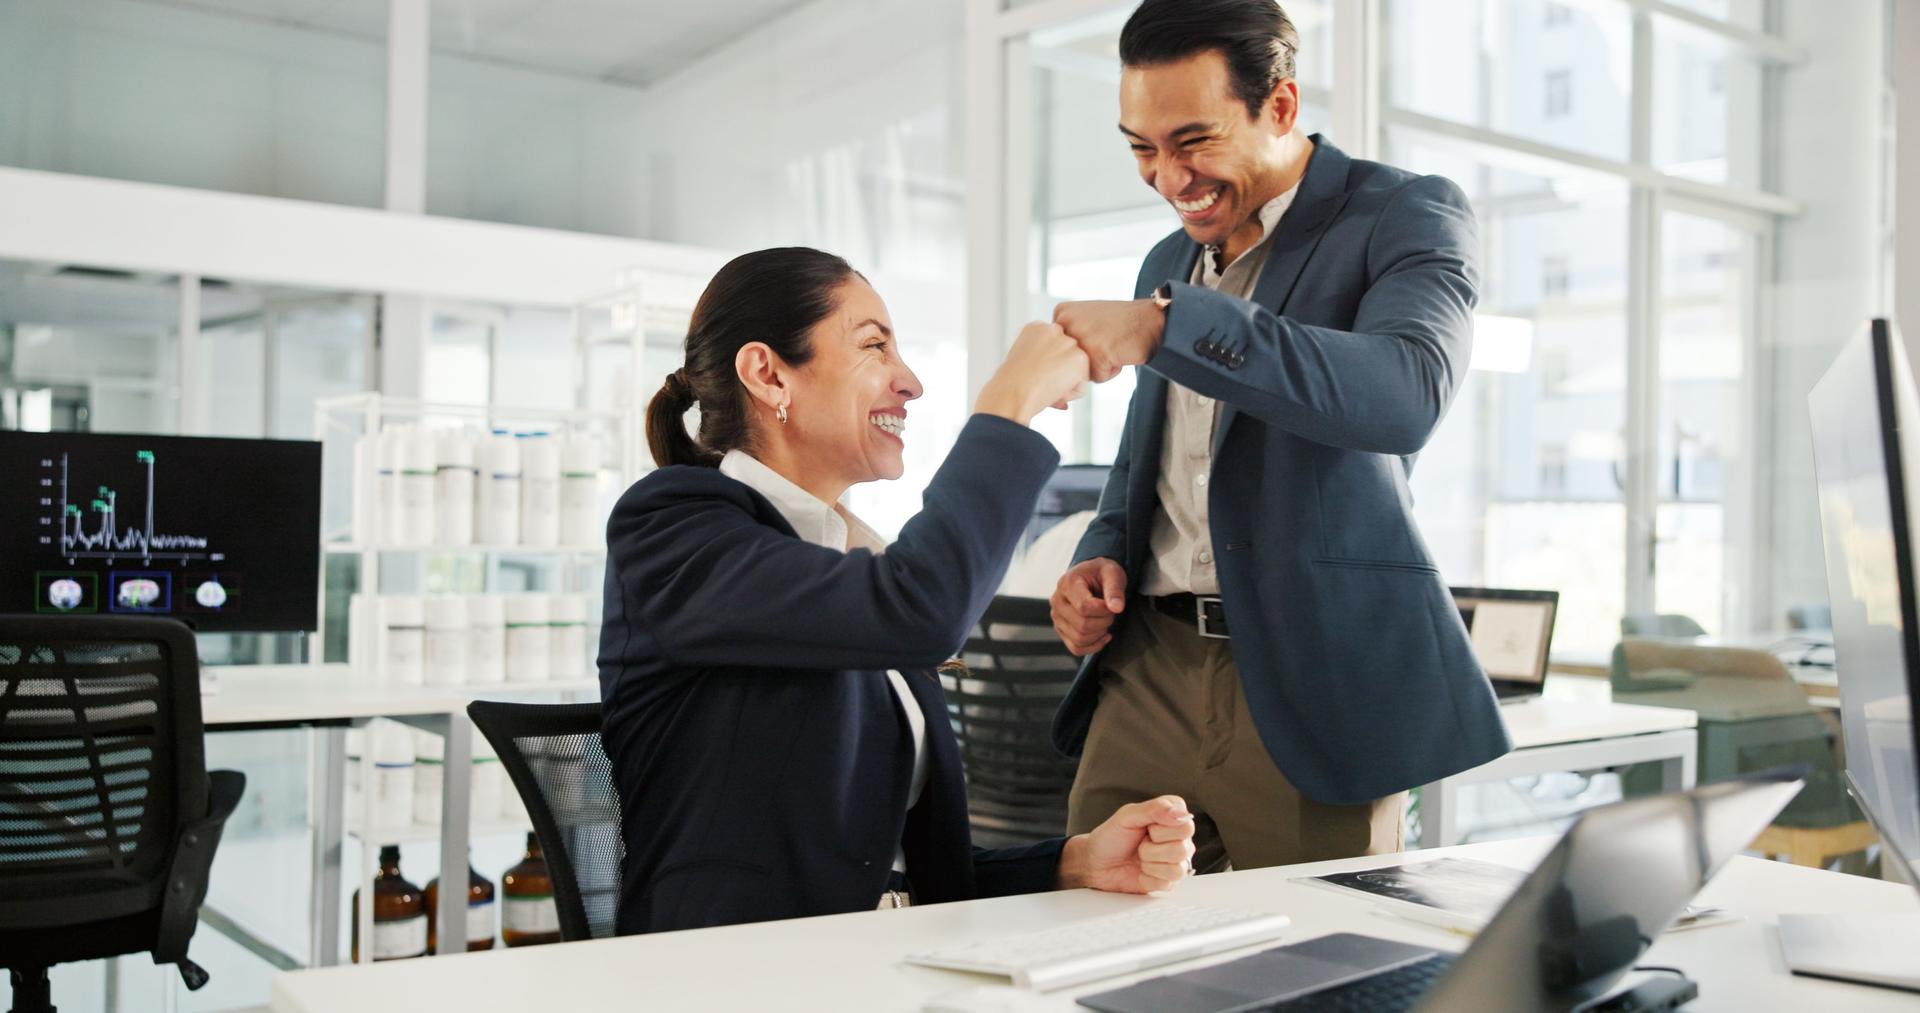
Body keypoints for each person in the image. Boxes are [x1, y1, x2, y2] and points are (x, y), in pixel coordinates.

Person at [600, 247, 1196, 934]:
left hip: (871, 960)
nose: (908, 382)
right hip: (735, 975)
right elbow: (923, 608)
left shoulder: (845, 562)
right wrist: (1009, 404)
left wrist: (1073, 863)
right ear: (767, 374)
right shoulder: (673, 528)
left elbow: (903, 872)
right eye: (874, 345)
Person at [1046, 0, 1512, 873]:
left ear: (1283, 107)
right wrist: (1105, 548)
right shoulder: (1166, 262)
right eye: (1142, 149)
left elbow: (1403, 391)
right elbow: (1156, 452)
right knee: (1086, 931)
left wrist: (1167, 326)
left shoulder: (1404, 215)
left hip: (1314, 675)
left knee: (1320, 959)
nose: (1168, 178)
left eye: (1193, 141)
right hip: (1147, 661)